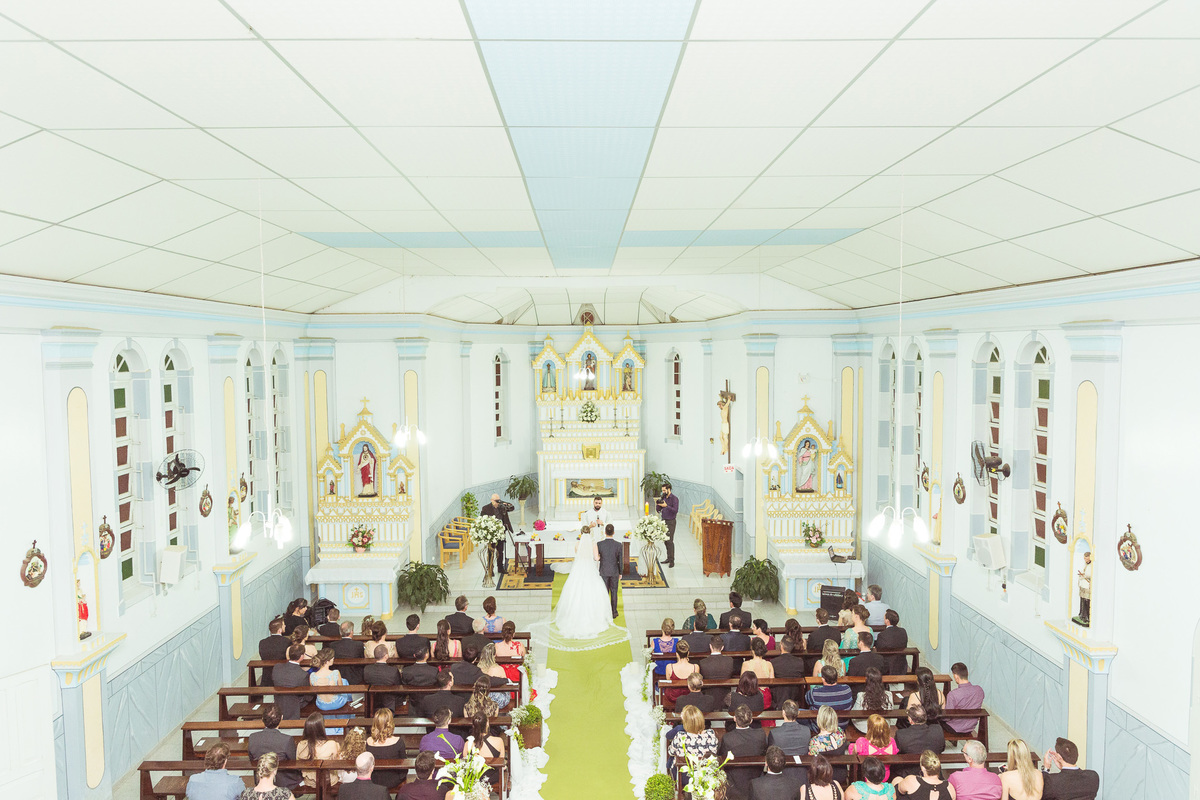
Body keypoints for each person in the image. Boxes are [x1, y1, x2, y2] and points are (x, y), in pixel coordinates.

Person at [553, 523, 615, 637]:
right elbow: (596, 558)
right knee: (592, 590)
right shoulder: (593, 544)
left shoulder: (577, 544)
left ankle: (573, 616)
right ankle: (595, 616)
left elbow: (577, 555)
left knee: (576, 590)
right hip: (590, 568)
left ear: (581, 533)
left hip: (579, 568)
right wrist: (600, 556)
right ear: (589, 533)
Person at [719, 704, 767, 799]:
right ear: (751, 720)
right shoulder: (760, 734)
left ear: (734, 719)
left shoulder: (728, 738)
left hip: (735, 784)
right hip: (756, 780)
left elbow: (722, 757)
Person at [247, 705, 300, 789]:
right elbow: (293, 762)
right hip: (284, 781)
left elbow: (251, 759)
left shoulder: (253, 737)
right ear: (281, 718)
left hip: (261, 779)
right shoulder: (287, 739)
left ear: (262, 719)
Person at [668, 705, 719, 779]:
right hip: (705, 775)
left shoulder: (680, 736)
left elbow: (671, 752)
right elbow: (714, 751)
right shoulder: (710, 734)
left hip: (684, 776)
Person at [309, 648, 352, 734]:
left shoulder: (312, 675)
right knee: (345, 682)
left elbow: (314, 691)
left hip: (322, 705)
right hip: (336, 703)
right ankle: (350, 707)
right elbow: (341, 689)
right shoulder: (335, 673)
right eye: (332, 658)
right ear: (327, 661)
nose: (333, 659)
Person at [363, 707, 407, 789]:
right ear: (390, 723)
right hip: (393, 779)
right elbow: (404, 765)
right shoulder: (398, 742)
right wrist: (401, 778)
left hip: (373, 779)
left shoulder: (368, 741)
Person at [849, 714, 899, 781]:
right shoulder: (892, 742)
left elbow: (853, 756)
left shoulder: (862, 742)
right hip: (885, 776)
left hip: (867, 777)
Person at [296, 712, 340, 789]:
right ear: (321, 728)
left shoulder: (301, 745)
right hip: (329, 781)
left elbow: (298, 763)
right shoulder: (332, 744)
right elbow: (336, 763)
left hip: (310, 781)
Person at [271, 644, 313, 722]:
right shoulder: (303, 675)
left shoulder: (277, 667)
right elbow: (308, 696)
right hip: (296, 703)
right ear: (301, 657)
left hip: (278, 700)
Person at [766, 700, 810, 772]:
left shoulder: (775, 733)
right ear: (798, 713)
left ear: (783, 713)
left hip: (782, 770)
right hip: (802, 771)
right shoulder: (806, 731)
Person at [943, 662, 985, 736]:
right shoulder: (979, 690)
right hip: (971, 727)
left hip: (954, 728)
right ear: (967, 673)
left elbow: (947, 718)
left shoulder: (953, 694)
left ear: (956, 676)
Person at [807, 666, 853, 730]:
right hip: (842, 725)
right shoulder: (847, 689)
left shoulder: (814, 693)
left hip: (820, 727)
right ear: (837, 677)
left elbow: (807, 701)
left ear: (823, 679)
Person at [851, 667, 895, 735]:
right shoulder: (889, 695)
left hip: (865, 727)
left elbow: (854, 713)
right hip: (882, 726)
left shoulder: (861, 695)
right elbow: (890, 710)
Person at [471, 711, 506, 789]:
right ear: (487, 723)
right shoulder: (499, 741)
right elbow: (502, 761)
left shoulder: (468, 744)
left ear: (474, 726)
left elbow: (467, 764)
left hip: (475, 777)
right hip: (492, 777)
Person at [480, 494, 514, 576]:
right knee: (491, 551)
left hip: (501, 532)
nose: (498, 502)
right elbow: (482, 519)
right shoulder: (486, 508)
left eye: (499, 500)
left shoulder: (502, 507)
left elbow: (512, 508)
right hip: (491, 534)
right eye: (496, 501)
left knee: (500, 551)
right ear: (492, 500)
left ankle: (500, 568)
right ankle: (490, 569)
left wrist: (504, 503)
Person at [362, 644, 401, 712]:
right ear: (386, 656)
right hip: (389, 703)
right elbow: (398, 686)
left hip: (373, 701)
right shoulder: (393, 670)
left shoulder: (367, 669)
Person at [597, 523, 623, 620]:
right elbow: (620, 560)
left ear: (605, 533)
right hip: (614, 571)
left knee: (604, 592)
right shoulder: (618, 545)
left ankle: (604, 612)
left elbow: (598, 558)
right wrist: (620, 572)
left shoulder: (599, 544)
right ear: (614, 533)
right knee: (614, 591)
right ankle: (614, 612)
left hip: (603, 571)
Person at [476, 642, 512, 709]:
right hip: (496, 701)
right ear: (494, 655)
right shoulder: (499, 669)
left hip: (482, 698)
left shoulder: (478, 668)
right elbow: (506, 685)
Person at [875, 610, 909, 676]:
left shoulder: (882, 635)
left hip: (887, 666)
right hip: (901, 664)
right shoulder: (903, 631)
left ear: (887, 621)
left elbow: (879, 650)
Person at [664, 640, 698, 705]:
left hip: (674, 697)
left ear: (677, 654)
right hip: (689, 696)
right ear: (688, 653)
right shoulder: (695, 667)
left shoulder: (669, 667)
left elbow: (669, 682)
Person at [259, 618, 290, 686]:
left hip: (267, 676)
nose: (285, 626)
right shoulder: (287, 642)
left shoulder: (262, 642)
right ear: (280, 630)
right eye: (283, 625)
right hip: (282, 675)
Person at [656, 481, 679, 567]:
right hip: (664, 521)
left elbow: (675, 510)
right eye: (662, 490)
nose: (663, 492)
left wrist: (666, 506)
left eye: (664, 490)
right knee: (665, 541)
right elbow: (658, 509)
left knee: (670, 541)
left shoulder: (674, 499)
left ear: (669, 489)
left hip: (671, 521)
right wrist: (658, 505)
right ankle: (668, 558)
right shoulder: (664, 497)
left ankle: (672, 560)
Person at [1075, 552, 1092, 626]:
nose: (1085, 560)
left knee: (1086, 601)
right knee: (1082, 600)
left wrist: (1084, 575)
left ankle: (1086, 617)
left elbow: (1089, 574)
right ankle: (1081, 614)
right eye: (1084, 558)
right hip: (1083, 585)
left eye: (1086, 558)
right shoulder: (1086, 564)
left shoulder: (1092, 565)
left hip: (1087, 586)